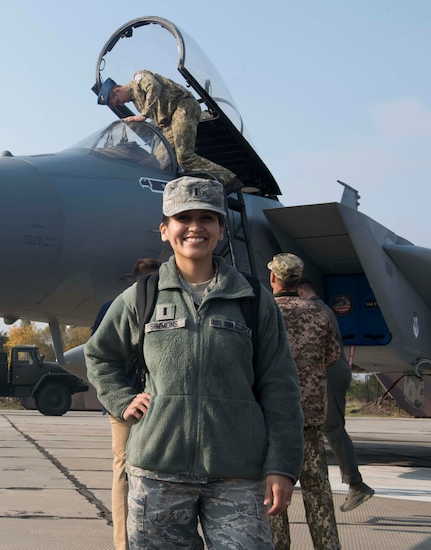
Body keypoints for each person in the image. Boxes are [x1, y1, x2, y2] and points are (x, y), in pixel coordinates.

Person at [86, 175, 304, 549]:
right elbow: (99, 354)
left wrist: (282, 466)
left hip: (237, 475)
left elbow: (280, 386)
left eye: (207, 218)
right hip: (158, 471)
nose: (195, 227)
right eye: (183, 218)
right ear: (164, 229)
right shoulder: (142, 297)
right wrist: (123, 401)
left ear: (222, 228)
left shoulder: (253, 300)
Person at [268, 254, 341, 550]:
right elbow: (332, 355)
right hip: (309, 414)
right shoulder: (319, 313)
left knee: (272, 489)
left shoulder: (265, 312)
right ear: (298, 280)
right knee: (317, 487)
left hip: (272, 415)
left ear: (273, 278)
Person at [297, 278, 375, 512]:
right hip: (330, 372)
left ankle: (356, 484)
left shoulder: (315, 310)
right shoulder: (324, 309)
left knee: (333, 429)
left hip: (328, 373)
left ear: (301, 291)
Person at [97, 72, 242, 191]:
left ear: (116, 90)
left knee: (184, 156)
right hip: (169, 124)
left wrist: (144, 115)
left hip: (182, 106)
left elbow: (154, 87)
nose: (121, 104)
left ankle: (228, 179)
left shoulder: (138, 79)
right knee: (159, 162)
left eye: (117, 101)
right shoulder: (137, 102)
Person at [103, 257, 160, 550]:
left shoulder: (110, 307)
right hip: (129, 406)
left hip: (159, 404)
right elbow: (100, 359)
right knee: (125, 470)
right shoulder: (119, 308)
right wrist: (122, 400)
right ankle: (124, 544)